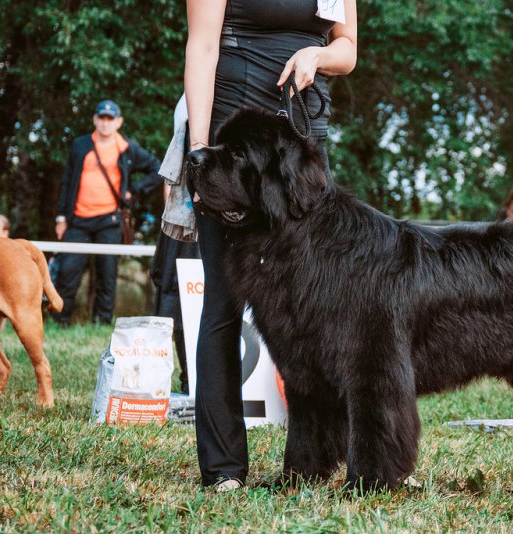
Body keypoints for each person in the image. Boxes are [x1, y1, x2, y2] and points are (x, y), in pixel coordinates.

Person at [184, 0, 357, 491]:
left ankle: (309, 464)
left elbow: (347, 50)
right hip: (234, 145)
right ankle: (223, 469)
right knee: (222, 303)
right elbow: (202, 46)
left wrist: (317, 56)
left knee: (316, 307)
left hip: (301, 140)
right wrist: (200, 154)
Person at [52, 100, 163, 326]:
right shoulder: (80, 145)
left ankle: (101, 323)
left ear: (119, 122)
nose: (105, 123)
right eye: (101, 118)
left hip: (109, 220)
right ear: (95, 120)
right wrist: (61, 217)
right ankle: (59, 321)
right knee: (67, 273)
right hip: (78, 219)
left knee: (107, 275)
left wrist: (134, 191)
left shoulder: (127, 148)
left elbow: (157, 169)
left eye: (110, 119)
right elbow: (67, 181)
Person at [151, 184, 200, 395]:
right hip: (182, 223)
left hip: (209, 223)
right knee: (178, 302)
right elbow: (170, 185)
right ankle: (188, 378)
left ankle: (193, 379)